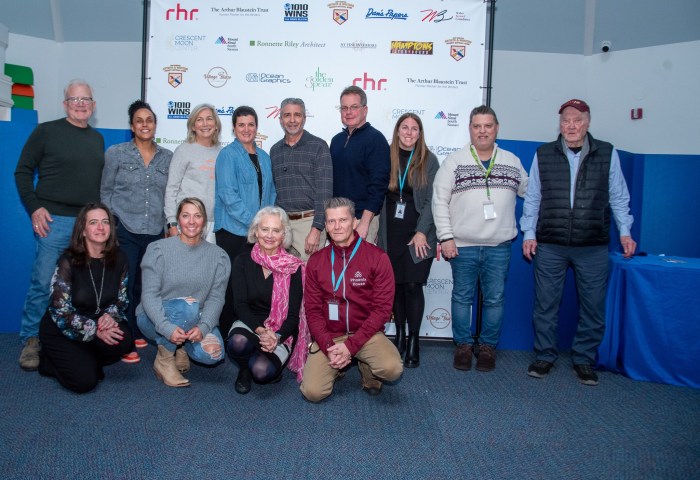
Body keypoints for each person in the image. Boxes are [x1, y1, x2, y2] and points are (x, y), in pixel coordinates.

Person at [521, 99, 636, 386]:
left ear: (587, 123)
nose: (571, 126)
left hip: (593, 245)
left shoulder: (608, 154)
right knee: (546, 305)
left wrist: (625, 231)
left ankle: (583, 359)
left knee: (593, 307)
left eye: (577, 120)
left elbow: (619, 197)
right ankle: (545, 355)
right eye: (566, 121)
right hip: (550, 243)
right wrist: (529, 233)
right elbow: (533, 197)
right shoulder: (543, 154)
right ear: (559, 124)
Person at [14, 79, 105, 371]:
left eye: (85, 99)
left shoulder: (97, 139)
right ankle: (31, 340)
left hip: (86, 225)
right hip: (53, 221)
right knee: (43, 282)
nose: (80, 104)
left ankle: (73, 335)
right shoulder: (46, 131)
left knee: (83, 287)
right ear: (65, 103)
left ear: (93, 105)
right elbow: (23, 171)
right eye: (74, 99)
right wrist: (34, 207)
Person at [433, 105, 528, 373]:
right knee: (462, 297)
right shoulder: (454, 161)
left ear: (497, 128)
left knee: (495, 299)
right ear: (470, 129)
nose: (482, 131)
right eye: (477, 126)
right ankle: (463, 346)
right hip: (462, 245)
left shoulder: (512, 161)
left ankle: (487, 348)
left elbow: (531, 193)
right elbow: (438, 202)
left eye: (487, 126)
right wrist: (446, 237)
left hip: (499, 246)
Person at [300, 197, 403, 402]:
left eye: (343, 220)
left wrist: (351, 346)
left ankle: (367, 366)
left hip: (366, 333)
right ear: (326, 226)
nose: (337, 226)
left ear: (354, 222)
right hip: (331, 335)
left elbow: (382, 310)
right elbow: (312, 310)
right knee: (312, 392)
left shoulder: (377, 257)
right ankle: (338, 365)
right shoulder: (316, 261)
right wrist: (329, 346)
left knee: (392, 369)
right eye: (331, 221)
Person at [101, 100, 173, 364]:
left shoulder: (167, 157)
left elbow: (169, 195)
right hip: (125, 229)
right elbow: (106, 192)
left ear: (155, 125)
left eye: (149, 120)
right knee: (125, 284)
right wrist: (110, 227)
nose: (145, 125)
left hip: (155, 230)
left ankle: (141, 327)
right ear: (132, 126)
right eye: (139, 120)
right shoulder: (116, 153)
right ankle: (126, 334)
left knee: (146, 285)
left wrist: (169, 226)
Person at [38, 203, 133, 393]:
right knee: (84, 382)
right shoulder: (68, 261)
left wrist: (110, 316)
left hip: (97, 321)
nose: (101, 227)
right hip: (63, 327)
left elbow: (121, 300)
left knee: (125, 340)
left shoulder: (120, 258)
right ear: (82, 230)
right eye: (94, 222)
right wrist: (94, 328)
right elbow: (60, 311)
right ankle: (50, 361)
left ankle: (84, 356)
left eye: (105, 222)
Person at [137, 198, 230, 387]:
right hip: (154, 319)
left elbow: (216, 298)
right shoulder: (158, 250)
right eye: (185, 215)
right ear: (178, 220)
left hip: (196, 318)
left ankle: (182, 347)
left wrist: (204, 327)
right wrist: (167, 328)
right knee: (188, 307)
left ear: (204, 221)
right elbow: (149, 295)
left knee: (214, 353)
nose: (192, 221)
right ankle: (164, 359)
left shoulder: (219, 256)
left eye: (197, 216)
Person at [377, 113, 439, 368]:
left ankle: (414, 340)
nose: (409, 133)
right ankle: (399, 335)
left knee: (413, 286)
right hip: (389, 234)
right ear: (397, 130)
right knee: (396, 287)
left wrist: (422, 231)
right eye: (405, 128)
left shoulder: (429, 160)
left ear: (420, 133)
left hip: (419, 234)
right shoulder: (386, 155)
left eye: (415, 129)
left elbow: (432, 201)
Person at [226, 206, 308, 394]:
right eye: (265, 229)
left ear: (284, 234)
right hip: (250, 324)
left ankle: (261, 362)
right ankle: (244, 369)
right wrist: (262, 331)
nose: (269, 235)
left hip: (281, 330)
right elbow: (240, 306)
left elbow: (293, 316)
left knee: (262, 372)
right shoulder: (242, 261)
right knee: (237, 342)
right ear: (256, 231)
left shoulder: (294, 267)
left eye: (276, 230)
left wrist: (277, 336)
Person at [215, 105, 276, 337]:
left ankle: (248, 332)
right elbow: (228, 196)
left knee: (252, 287)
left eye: (251, 124)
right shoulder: (227, 155)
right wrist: (256, 223)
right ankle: (225, 333)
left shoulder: (264, 157)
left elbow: (271, 193)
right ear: (234, 128)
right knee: (232, 286)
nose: (246, 129)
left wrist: (267, 223)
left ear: (257, 127)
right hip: (233, 231)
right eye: (241, 124)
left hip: (258, 234)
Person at [270, 98, 333, 260]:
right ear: (280, 119)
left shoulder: (318, 147)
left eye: (297, 115)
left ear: (304, 118)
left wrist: (317, 229)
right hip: (282, 226)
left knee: (308, 281)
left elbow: (324, 193)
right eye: (287, 115)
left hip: (309, 224)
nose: (292, 120)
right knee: (283, 279)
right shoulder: (275, 150)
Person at [329, 86, 390, 243]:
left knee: (360, 268)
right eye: (344, 108)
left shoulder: (376, 140)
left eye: (354, 107)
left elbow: (379, 185)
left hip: (361, 221)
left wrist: (365, 222)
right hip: (338, 220)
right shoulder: (336, 141)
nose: (348, 112)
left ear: (365, 110)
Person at [164, 103, 222, 243]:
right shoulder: (183, 150)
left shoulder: (222, 152)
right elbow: (172, 188)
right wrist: (172, 222)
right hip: (186, 223)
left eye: (209, 118)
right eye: (199, 119)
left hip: (214, 225)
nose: (205, 124)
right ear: (193, 126)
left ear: (216, 125)